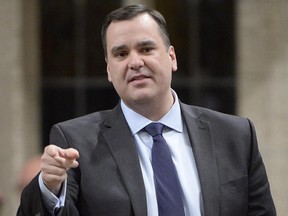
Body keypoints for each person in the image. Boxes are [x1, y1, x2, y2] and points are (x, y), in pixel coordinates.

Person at [17, 4, 276, 216]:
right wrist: (49, 186)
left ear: (171, 57)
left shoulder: (235, 135)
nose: (135, 62)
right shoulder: (76, 142)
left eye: (146, 49)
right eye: (120, 54)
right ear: (109, 70)